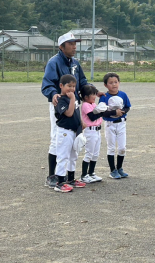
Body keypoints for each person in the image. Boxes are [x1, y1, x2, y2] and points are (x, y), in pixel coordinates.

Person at [42, 32, 100, 188]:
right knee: (57, 139)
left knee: (74, 139)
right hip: (59, 104)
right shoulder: (54, 62)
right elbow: (47, 84)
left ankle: (69, 176)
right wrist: (53, 94)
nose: (74, 47)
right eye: (71, 44)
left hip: (74, 104)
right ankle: (52, 176)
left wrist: (93, 92)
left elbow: (82, 82)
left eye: (75, 43)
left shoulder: (75, 62)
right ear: (61, 47)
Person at [79, 84, 124, 183]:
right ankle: (84, 175)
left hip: (97, 131)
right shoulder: (86, 105)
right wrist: (107, 112)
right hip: (90, 131)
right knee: (89, 153)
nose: (95, 97)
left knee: (95, 154)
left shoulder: (93, 104)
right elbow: (92, 117)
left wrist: (109, 110)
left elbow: (101, 112)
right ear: (86, 97)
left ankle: (91, 173)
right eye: (93, 95)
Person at [53, 74, 86, 192]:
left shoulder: (74, 98)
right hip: (64, 132)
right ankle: (60, 182)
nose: (72, 89)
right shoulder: (60, 100)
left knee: (73, 156)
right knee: (63, 156)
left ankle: (71, 179)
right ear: (61, 86)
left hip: (74, 131)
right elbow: (69, 113)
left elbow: (76, 113)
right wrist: (72, 99)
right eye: (69, 86)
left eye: (73, 86)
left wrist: (81, 122)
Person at [99, 73, 132, 179]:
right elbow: (102, 112)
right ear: (105, 85)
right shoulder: (104, 97)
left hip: (121, 123)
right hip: (110, 125)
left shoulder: (123, 94)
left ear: (119, 83)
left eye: (116, 82)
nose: (114, 85)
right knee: (111, 148)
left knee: (122, 147)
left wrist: (122, 112)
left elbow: (127, 107)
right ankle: (113, 170)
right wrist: (113, 112)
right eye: (110, 83)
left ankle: (120, 168)